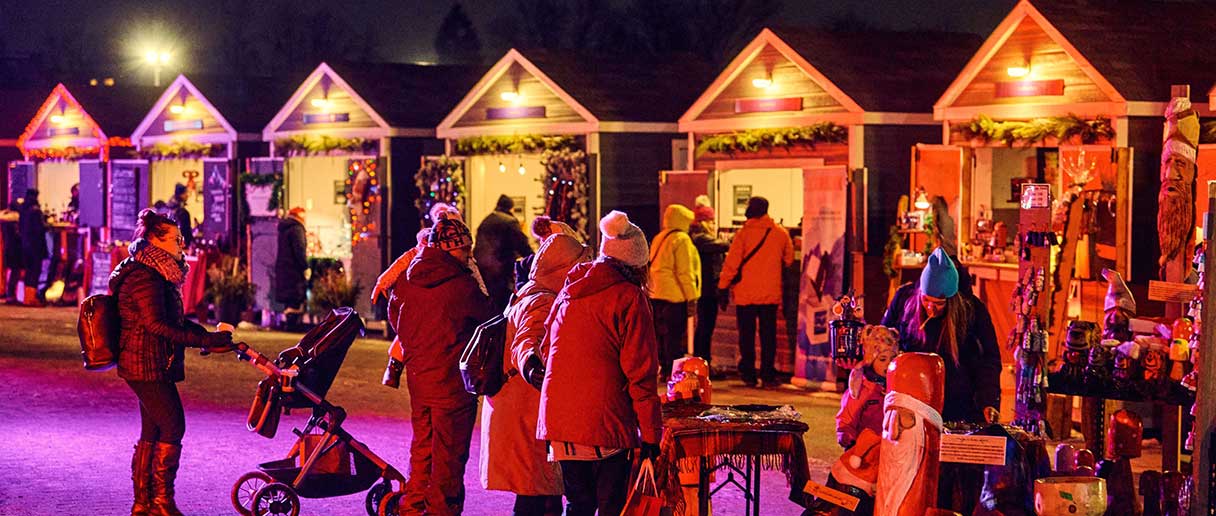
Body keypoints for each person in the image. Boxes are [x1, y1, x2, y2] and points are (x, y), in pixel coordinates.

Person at [110, 208, 234, 516]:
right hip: (144, 361)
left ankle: (145, 504)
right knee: (173, 425)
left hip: (150, 361)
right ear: (155, 240)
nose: (182, 243)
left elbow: (173, 321)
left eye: (181, 237)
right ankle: (161, 504)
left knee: (153, 431)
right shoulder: (145, 276)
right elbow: (157, 325)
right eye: (176, 239)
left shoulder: (160, 273)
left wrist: (209, 338)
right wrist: (204, 341)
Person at [538, 210, 662, 516]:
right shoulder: (629, 297)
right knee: (611, 507)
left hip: (560, 422)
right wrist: (650, 436)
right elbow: (641, 373)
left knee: (578, 505)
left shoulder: (570, 289)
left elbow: (545, 348)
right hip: (604, 424)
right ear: (637, 263)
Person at [389, 217, 494, 515]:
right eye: (466, 251)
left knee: (423, 448)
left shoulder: (409, 277)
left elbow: (395, 314)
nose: (469, 257)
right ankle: (440, 511)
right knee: (448, 457)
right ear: (452, 250)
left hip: (421, 380)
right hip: (452, 386)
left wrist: (415, 347)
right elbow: (488, 317)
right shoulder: (462, 285)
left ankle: (412, 507)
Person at [481, 233, 590, 516]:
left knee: (540, 494)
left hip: (523, 409)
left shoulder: (532, 290)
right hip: (528, 412)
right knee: (537, 495)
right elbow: (527, 340)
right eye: (580, 262)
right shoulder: (542, 300)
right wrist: (534, 367)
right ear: (563, 268)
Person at [880, 247, 1001, 424]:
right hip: (910, 399)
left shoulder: (973, 312)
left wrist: (987, 400)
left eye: (938, 303)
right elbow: (883, 340)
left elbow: (990, 358)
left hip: (957, 401)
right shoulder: (904, 299)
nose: (930, 307)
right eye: (926, 300)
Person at [717, 196, 793, 387]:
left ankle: (749, 374)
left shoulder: (743, 234)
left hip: (746, 294)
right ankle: (768, 374)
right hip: (770, 293)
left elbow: (732, 263)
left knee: (747, 335)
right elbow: (789, 259)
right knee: (769, 336)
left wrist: (723, 286)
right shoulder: (780, 233)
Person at [649, 204, 701, 379]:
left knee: (661, 336)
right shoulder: (681, 239)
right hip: (674, 296)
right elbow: (684, 271)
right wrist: (692, 296)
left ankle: (664, 369)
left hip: (656, 294)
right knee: (675, 337)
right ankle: (675, 373)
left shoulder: (659, 237)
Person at [836, 325, 898, 449]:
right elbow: (847, 417)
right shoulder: (861, 389)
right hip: (863, 449)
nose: (888, 364)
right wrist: (847, 437)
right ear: (871, 361)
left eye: (893, 359)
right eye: (882, 359)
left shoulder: (897, 387)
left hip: (889, 449)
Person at [474, 195, 533, 310]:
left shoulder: (487, 220)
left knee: (490, 305)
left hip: (483, 269)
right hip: (500, 269)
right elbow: (522, 246)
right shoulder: (509, 222)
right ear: (511, 208)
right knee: (503, 304)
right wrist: (534, 259)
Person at [689, 197, 728, 368]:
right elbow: (721, 245)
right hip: (705, 289)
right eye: (711, 221)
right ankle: (702, 362)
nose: (713, 225)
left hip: (708, 288)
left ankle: (703, 361)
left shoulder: (700, 236)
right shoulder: (699, 237)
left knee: (705, 327)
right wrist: (732, 240)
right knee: (705, 327)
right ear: (703, 222)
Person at [273, 207, 308, 328]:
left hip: (284, 269)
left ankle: (289, 322)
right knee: (295, 298)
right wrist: (305, 266)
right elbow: (299, 250)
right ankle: (293, 325)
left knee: (288, 300)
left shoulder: (283, 228)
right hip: (294, 270)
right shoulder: (297, 229)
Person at [19, 188, 47, 307]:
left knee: (29, 272)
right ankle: (31, 298)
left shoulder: (23, 210)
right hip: (36, 246)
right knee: (35, 272)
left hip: (25, 245)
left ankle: (27, 297)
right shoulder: (35, 211)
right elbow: (39, 229)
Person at [2, 194, 23, 304]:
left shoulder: (5, 218)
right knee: (15, 271)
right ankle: (11, 295)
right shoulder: (16, 217)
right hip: (16, 248)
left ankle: (10, 293)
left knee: (12, 271)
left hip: (8, 247)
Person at [165, 184, 193, 248]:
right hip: (178, 246)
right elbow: (185, 232)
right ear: (180, 194)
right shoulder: (182, 212)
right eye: (185, 193)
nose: (187, 195)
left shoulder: (168, 209)